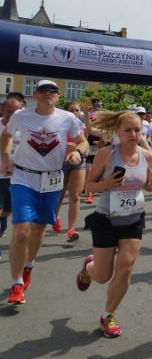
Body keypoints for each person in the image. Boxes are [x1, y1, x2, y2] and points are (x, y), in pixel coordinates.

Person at [1, 80, 88, 305]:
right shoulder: (21, 116)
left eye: (53, 91)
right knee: (20, 231)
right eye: (43, 90)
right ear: (35, 95)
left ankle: (28, 265)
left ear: (58, 97)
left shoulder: (68, 118)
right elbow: (7, 136)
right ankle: (16, 283)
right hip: (22, 176)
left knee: (39, 227)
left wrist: (78, 152)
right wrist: (5, 158)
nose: (48, 93)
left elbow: (83, 141)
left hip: (51, 178)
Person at [75, 110, 152, 337]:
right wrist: (106, 184)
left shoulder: (147, 156)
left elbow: (149, 184)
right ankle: (89, 267)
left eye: (137, 130)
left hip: (133, 219)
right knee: (102, 276)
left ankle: (107, 315)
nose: (133, 134)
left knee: (125, 268)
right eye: (128, 130)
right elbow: (88, 187)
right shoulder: (107, 155)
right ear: (117, 132)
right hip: (106, 219)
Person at [55, 100, 87, 242]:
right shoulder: (58, 124)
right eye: (72, 110)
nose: (75, 113)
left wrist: (80, 151)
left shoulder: (81, 125)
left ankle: (71, 230)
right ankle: (54, 217)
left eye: (77, 110)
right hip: (60, 161)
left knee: (75, 195)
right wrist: (63, 146)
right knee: (60, 194)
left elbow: (84, 142)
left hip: (78, 162)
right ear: (66, 111)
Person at [0, 95, 25, 241]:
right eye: (9, 111)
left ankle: (2, 219)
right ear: (2, 110)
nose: (12, 115)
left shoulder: (25, 128)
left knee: (8, 209)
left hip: (16, 177)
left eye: (16, 112)